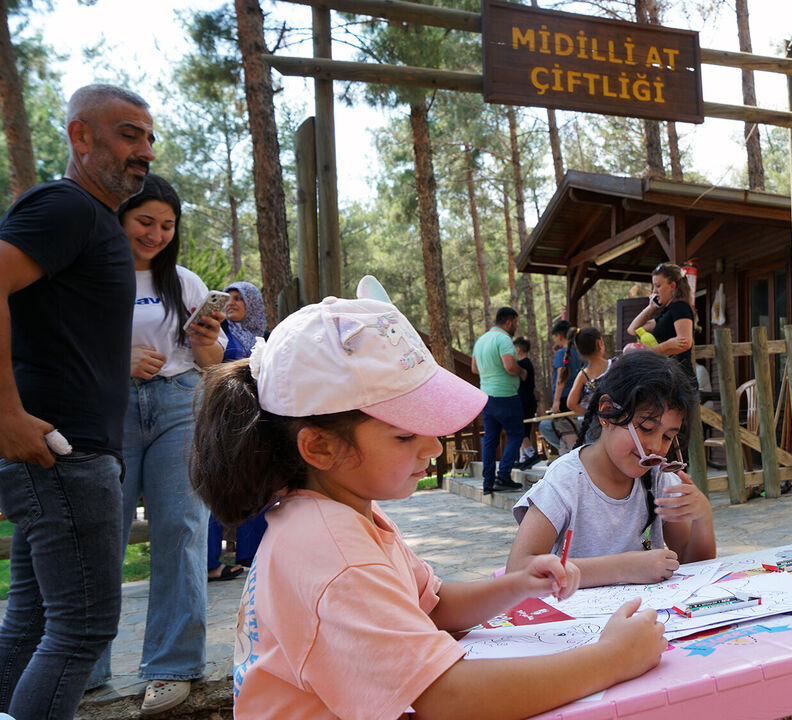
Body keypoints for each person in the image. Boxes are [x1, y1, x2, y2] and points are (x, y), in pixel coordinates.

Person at [187, 296, 666, 719]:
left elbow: (434, 606)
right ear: (320, 448)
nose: (434, 448)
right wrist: (612, 659)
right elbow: (447, 700)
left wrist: (520, 586)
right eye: (404, 434)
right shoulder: (334, 554)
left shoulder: (345, 516)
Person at [0, 84, 154, 719]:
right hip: (59, 453)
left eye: (148, 137)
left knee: (33, 624)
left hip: (64, 455)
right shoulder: (65, 207)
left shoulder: (91, 220)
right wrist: (5, 414)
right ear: (80, 136)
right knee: (82, 629)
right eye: (127, 134)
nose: (143, 150)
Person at [87, 174, 226, 714]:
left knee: (182, 529)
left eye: (167, 225)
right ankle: (86, 664)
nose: (156, 234)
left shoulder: (185, 283)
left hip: (178, 404)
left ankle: (172, 666)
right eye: (145, 221)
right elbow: (64, 349)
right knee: (102, 534)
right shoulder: (91, 276)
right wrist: (115, 362)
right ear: (119, 218)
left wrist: (206, 343)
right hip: (109, 407)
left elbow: (212, 364)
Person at [506, 350, 716, 587]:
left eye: (668, 436)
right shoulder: (567, 481)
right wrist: (623, 568)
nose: (656, 447)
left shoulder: (657, 477)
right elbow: (518, 570)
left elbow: (696, 566)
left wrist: (702, 516)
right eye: (646, 428)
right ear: (606, 411)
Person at [208, 280, 269, 581]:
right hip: (222, 420)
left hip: (255, 421)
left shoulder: (263, 336)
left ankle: (256, 555)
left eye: (238, 298)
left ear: (253, 304)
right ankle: (208, 562)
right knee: (214, 487)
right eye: (227, 298)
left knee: (260, 485)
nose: (231, 303)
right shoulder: (220, 332)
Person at [471, 307, 526, 494]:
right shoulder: (503, 339)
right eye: (516, 323)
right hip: (506, 395)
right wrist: (522, 372)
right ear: (509, 322)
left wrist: (490, 374)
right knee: (516, 433)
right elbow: (510, 366)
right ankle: (503, 475)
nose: (516, 327)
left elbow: (474, 368)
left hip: (486, 396)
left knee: (490, 439)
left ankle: (488, 483)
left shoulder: (481, 340)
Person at [626, 263, 696, 380]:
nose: (654, 291)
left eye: (658, 286)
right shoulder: (667, 313)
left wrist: (653, 350)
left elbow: (685, 342)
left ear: (672, 286)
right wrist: (651, 308)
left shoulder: (680, 307)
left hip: (680, 380)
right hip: (666, 378)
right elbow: (633, 330)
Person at [539, 320, 582, 454]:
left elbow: (561, 378)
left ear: (559, 336)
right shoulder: (579, 352)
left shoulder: (562, 353)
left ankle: (570, 452)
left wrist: (556, 401)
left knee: (564, 432)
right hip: (579, 397)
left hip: (564, 398)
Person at [565, 326, 611, 415]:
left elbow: (571, 404)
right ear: (599, 343)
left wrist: (593, 415)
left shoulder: (583, 375)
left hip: (597, 424)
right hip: (620, 421)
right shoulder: (616, 365)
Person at [512, 336, 542, 470]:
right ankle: (523, 458)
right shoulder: (527, 363)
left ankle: (531, 454)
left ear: (517, 349)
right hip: (528, 401)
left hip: (524, 401)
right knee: (523, 430)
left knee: (519, 430)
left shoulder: (523, 364)